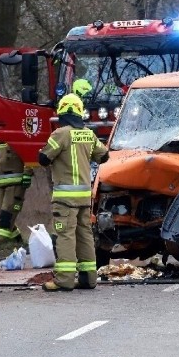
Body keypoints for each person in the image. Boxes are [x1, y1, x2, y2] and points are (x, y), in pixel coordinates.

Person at [38, 94, 108, 291]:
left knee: (65, 235)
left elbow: (43, 158)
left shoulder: (60, 134)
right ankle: (88, 278)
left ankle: (65, 280)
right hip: (85, 197)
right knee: (84, 234)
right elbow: (104, 156)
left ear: (62, 112)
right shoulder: (88, 134)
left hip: (65, 199)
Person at [0, 140, 32, 253]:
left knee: (7, 215)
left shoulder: (16, 138)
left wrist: (28, 172)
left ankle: (0, 243)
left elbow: (29, 156)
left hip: (16, 184)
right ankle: (17, 240)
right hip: (0, 185)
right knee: (0, 215)